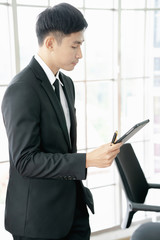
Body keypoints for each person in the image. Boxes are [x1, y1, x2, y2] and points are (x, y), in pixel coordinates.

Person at [1, 3, 122, 240]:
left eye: (81, 45)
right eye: (74, 46)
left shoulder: (67, 84)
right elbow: (25, 161)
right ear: (50, 43)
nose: (80, 54)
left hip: (73, 213)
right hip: (38, 221)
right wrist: (87, 160)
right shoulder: (21, 90)